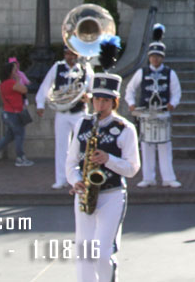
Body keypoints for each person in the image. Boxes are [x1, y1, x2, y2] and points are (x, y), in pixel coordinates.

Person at [67, 35, 139, 282]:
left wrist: (108, 158)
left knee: (101, 253)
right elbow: (71, 161)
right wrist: (75, 179)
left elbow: (132, 169)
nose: (100, 104)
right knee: (84, 255)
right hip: (85, 194)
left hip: (111, 195)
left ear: (115, 101)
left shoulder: (124, 128)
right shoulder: (83, 123)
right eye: (97, 99)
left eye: (105, 100)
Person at [125, 24, 182, 188]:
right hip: (146, 114)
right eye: (152, 56)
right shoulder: (141, 72)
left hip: (163, 113)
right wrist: (131, 104)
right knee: (147, 145)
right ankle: (148, 177)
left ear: (162, 57)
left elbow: (176, 91)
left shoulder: (170, 73)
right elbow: (130, 89)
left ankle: (168, 178)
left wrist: (173, 104)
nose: (155, 59)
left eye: (158, 56)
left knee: (165, 146)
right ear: (149, 57)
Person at [37, 45, 95, 189]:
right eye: (67, 53)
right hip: (62, 113)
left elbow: (93, 89)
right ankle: (61, 179)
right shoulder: (57, 67)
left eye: (72, 54)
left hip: (79, 112)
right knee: (62, 147)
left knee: (82, 145)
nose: (70, 56)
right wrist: (40, 104)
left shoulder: (85, 68)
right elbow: (46, 85)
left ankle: (82, 176)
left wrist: (89, 96)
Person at [0, 60, 34, 166]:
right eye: (14, 70)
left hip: (8, 112)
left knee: (9, 136)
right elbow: (24, 89)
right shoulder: (11, 83)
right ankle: (20, 158)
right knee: (19, 135)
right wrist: (18, 80)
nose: (16, 72)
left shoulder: (3, 84)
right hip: (14, 113)